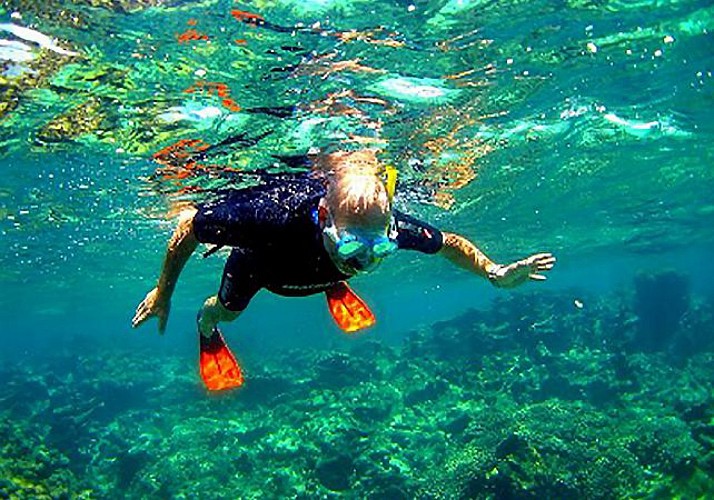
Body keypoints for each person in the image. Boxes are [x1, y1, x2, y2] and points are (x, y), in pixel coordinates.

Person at [132, 149, 555, 391]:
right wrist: (163, 291)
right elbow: (189, 225)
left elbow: (448, 244)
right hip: (262, 269)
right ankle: (206, 331)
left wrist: (493, 272)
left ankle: (334, 286)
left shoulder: (379, 232)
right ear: (323, 216)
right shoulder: (269, 218)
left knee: (345, 266)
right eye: (352, 245)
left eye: (380, 249)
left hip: (318, 270)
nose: (364, 262)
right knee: (224, 311)